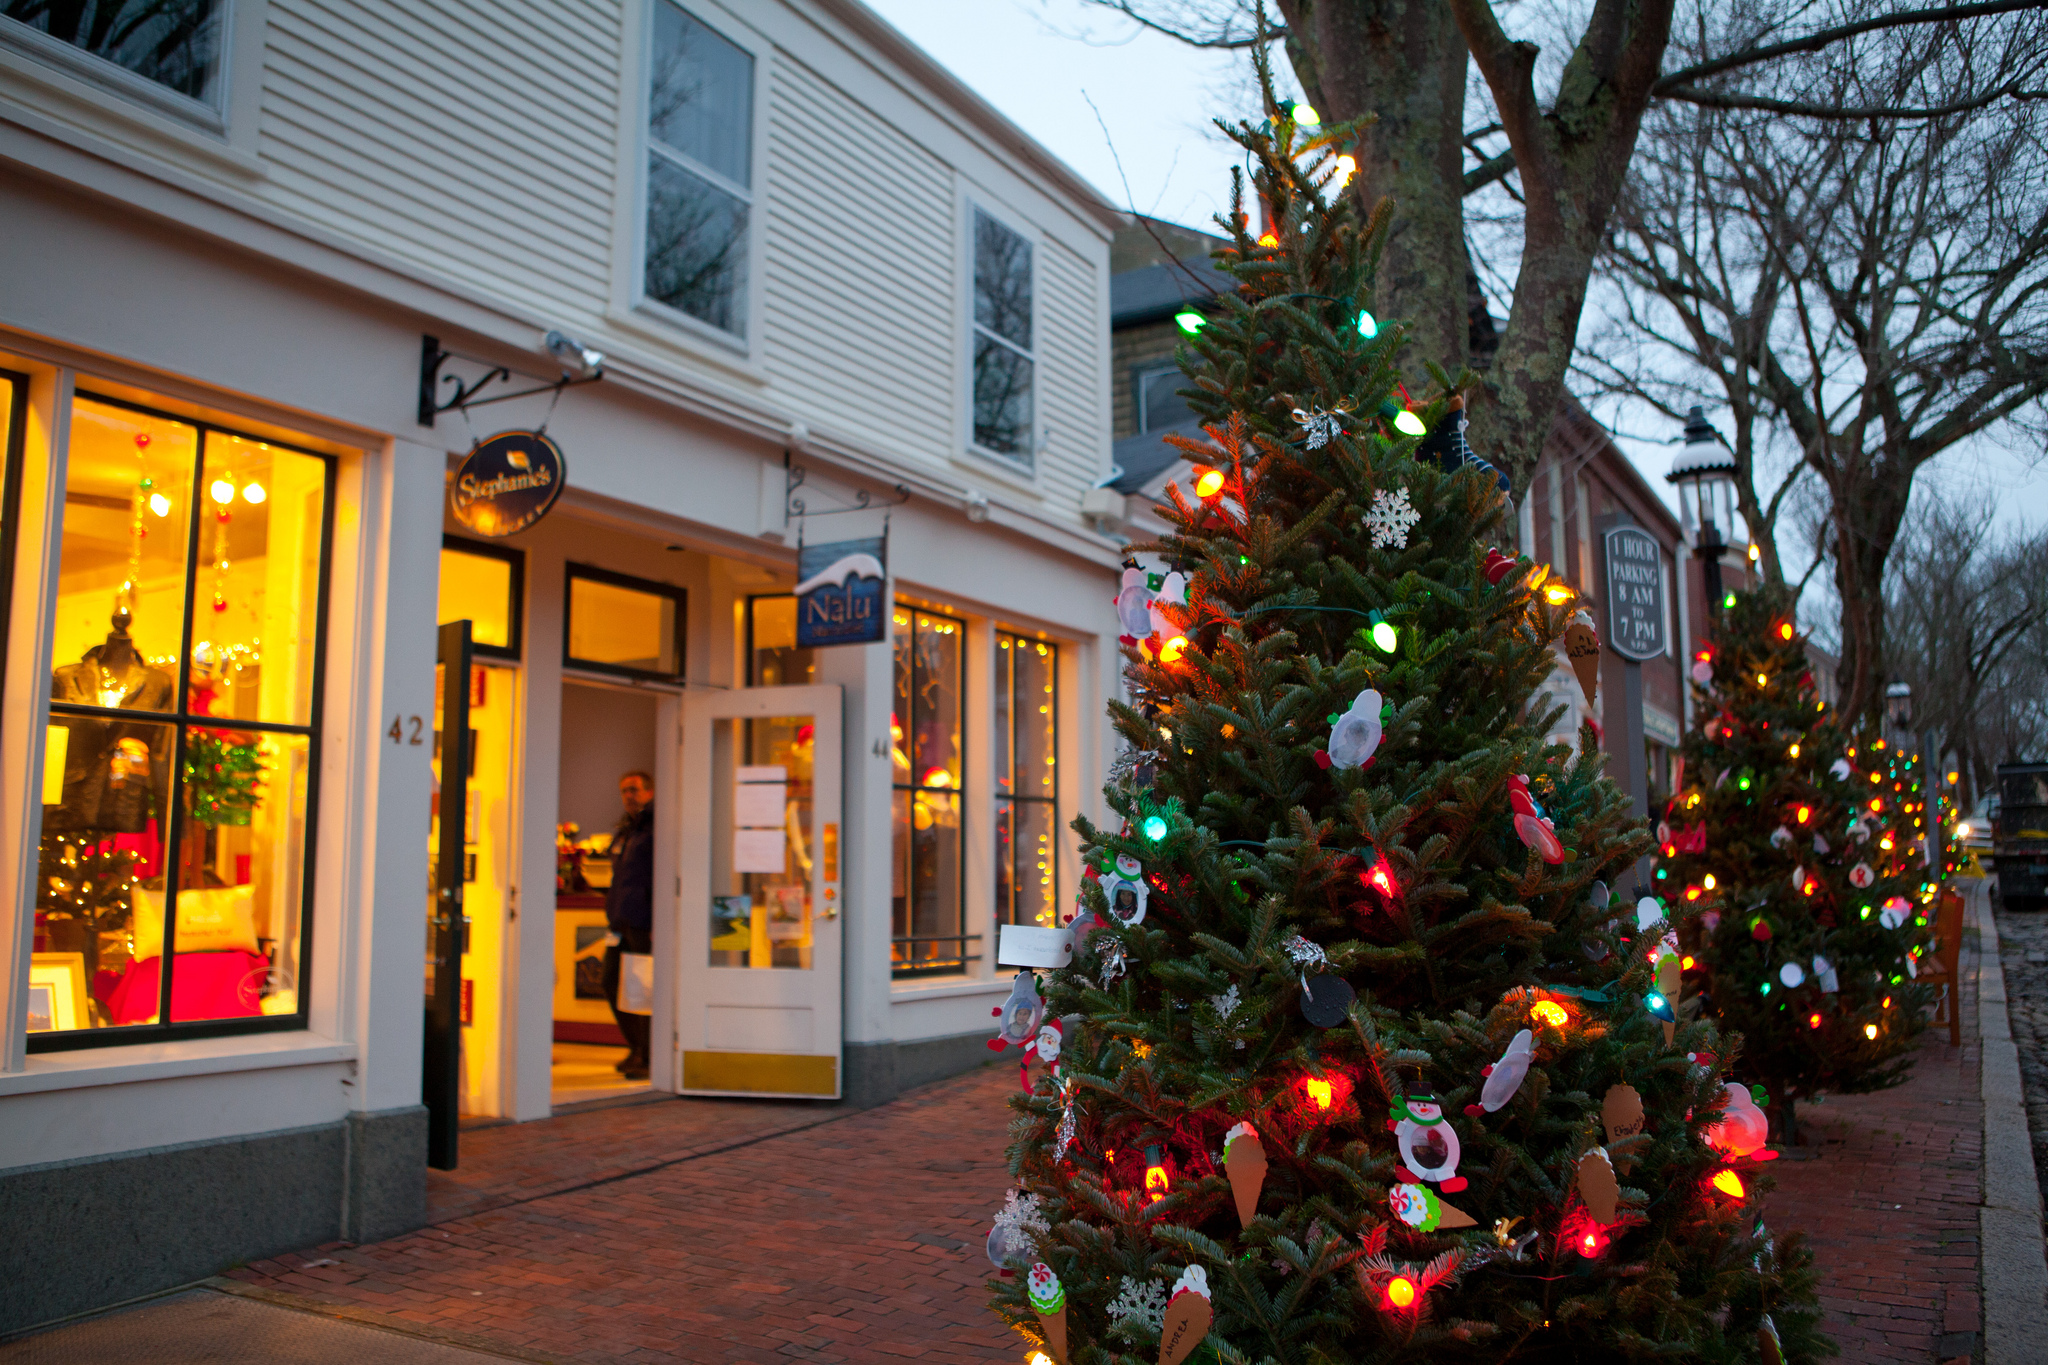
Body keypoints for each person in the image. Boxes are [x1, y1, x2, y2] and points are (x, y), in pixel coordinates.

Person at [601, 770, 655, 1079]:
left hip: (643, 920)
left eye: (633, 789)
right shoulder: (626, 830)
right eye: (623, 791)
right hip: (620, 921)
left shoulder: (653, 828)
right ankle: (636, 1046)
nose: (628, 796)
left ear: (649, 792)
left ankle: (648, 1056)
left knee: (643, 989)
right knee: (611, 982)